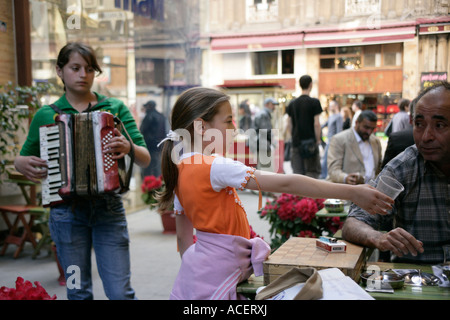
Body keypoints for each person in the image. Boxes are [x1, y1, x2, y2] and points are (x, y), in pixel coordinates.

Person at [156, 87, 393, 300]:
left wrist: (197, 268)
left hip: (199, 273)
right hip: (221, 273)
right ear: (200, 126)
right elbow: (287, 184)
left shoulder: (181, 167)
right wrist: (352, 193)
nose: (234, 128)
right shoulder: (215, 166)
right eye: (228, 121)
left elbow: (183, 239)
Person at [14, 42, 151, 300]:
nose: (83, 75)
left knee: (121, 293)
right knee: (78, 292)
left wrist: (128, 145)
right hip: (66, 216)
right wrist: (19, 163)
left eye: (89, 69)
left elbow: (144, 158)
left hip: (108, 211)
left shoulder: (115, 109)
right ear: (60, 70)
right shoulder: (46, 115)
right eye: (75, 68)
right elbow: (22, 158)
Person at [342, 82, 450, 264]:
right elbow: (353, 223)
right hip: (415, 282)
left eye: (439, 125)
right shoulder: (403, 168)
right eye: (419, 124)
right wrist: (379, 238)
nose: (426, 136)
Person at [327, 110, 382, 185]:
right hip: (347, 191)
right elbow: (333, 170)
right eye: (366, 127)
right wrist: (346, 178)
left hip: (370, 190)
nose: (369, 132)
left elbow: (378, 169)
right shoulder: (339, 139)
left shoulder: (375, 141)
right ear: (357, 123)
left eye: (372, 129)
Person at [287, 75, 322, 178]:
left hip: (296, 142)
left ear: (300, 85)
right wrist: (318, 139)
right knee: (312, 172)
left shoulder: (292, 103)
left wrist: (292, 136)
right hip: (310, 142)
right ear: (311, 85)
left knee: (298, 173)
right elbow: (316, 124)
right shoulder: (314, 102)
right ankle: (309, 194)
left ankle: (299, 194)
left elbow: (289, 124)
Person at [381, 98, 416, 168]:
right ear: (406, 106)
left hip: (394, 142)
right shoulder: (406, 117)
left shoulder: (396, 115)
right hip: (403, 144)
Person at [140, 100, 168, 178]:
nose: (145, 108)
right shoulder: (162, 116)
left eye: (146, 107)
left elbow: (142, 130)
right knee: (157, 164)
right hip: (159, 144)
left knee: (147, 164)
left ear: (149, 106)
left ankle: (148, 183)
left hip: (149, 144)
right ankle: (158, 182)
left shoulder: (149, 116)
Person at [320, 100, 343, 179]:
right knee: (325, 158)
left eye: (331, 105)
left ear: (336, 106)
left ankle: (324, 175)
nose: (330, 107)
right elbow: (324, 125)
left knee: (327, 158)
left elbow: (339, 130)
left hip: (333, 141)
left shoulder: (339, 116)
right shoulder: (331, 116)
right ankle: (324, 174)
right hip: (329, 140)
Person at [253, 97, 278, 170]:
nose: (274, 107)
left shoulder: (263, 114)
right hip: (263, 146)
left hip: (261, 145)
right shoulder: (264, 115)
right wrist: (271, 143)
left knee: (263, 169)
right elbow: (265, 131)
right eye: (272, 104)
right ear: (267, 105)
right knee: (266, 170)